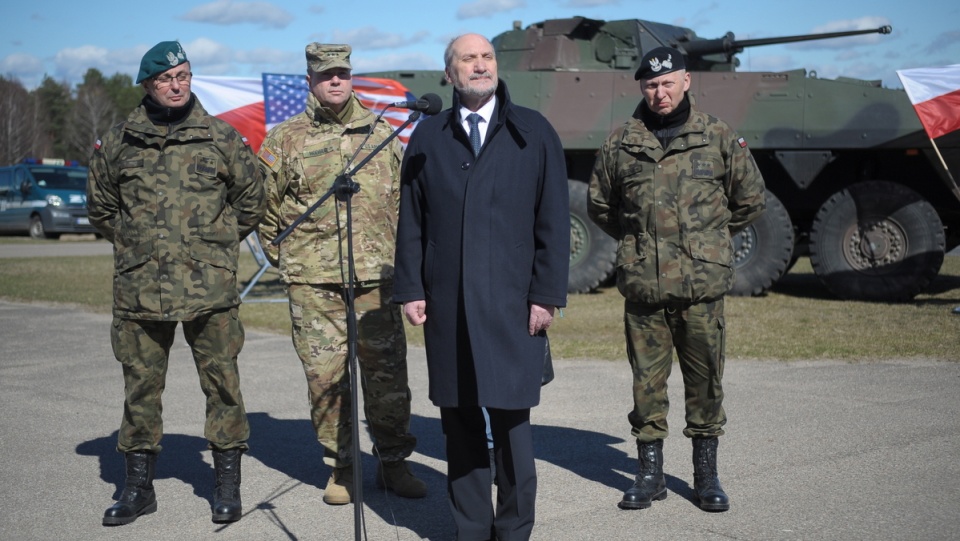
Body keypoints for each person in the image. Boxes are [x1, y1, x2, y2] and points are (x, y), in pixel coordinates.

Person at [394, 33, 569, 540]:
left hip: (513, 303)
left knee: (513, 426)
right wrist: (411, 287)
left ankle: (513, 531)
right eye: (467, 59)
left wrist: (546, 295)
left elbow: (553, 220)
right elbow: (412, 222)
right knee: (460, 423)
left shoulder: (532, 132)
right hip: (447, 303)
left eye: (486, 57)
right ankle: (470, 529)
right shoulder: (428, 136)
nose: (479, 65)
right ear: (449, 74)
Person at [87, 41, 265, 526]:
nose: (176, 84)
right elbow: (100, 207)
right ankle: (138, 488)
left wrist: (216, 242)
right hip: (141, 289)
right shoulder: (119, 140)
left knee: (223, 387)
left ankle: (226, 486)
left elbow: (251, 198)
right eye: (166, 79)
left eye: (183, 75)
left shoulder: (221, 138)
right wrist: (136, 245)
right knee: (140, 389)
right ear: (147, 84)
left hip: (210, 289)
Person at [587, 46, 765, 513]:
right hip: (644, 288)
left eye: (668, 83)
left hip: (700, 289)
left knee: (705, 382)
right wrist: (643, 244)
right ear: (641, 88)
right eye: (650, 85)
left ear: (686, 82)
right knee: (647, 384)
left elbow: (750, 200)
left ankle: (706, 476)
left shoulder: (718, 136)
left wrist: (708, 243)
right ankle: (650, 475)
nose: (659, 92)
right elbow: (602, 207)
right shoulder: (621, 143)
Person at [257, 43, 425, 506]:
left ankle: (394, 463)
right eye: (326, 74)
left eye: (343, 73)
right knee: (326, 379)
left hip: (377, 279)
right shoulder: (284, 138)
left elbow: (400, 203)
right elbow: (264, 210)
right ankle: (343, 469)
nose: (336, 81)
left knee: (387, 377)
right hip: (315, 284)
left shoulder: (380, 132)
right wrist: (289, 258)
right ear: (310, 80)